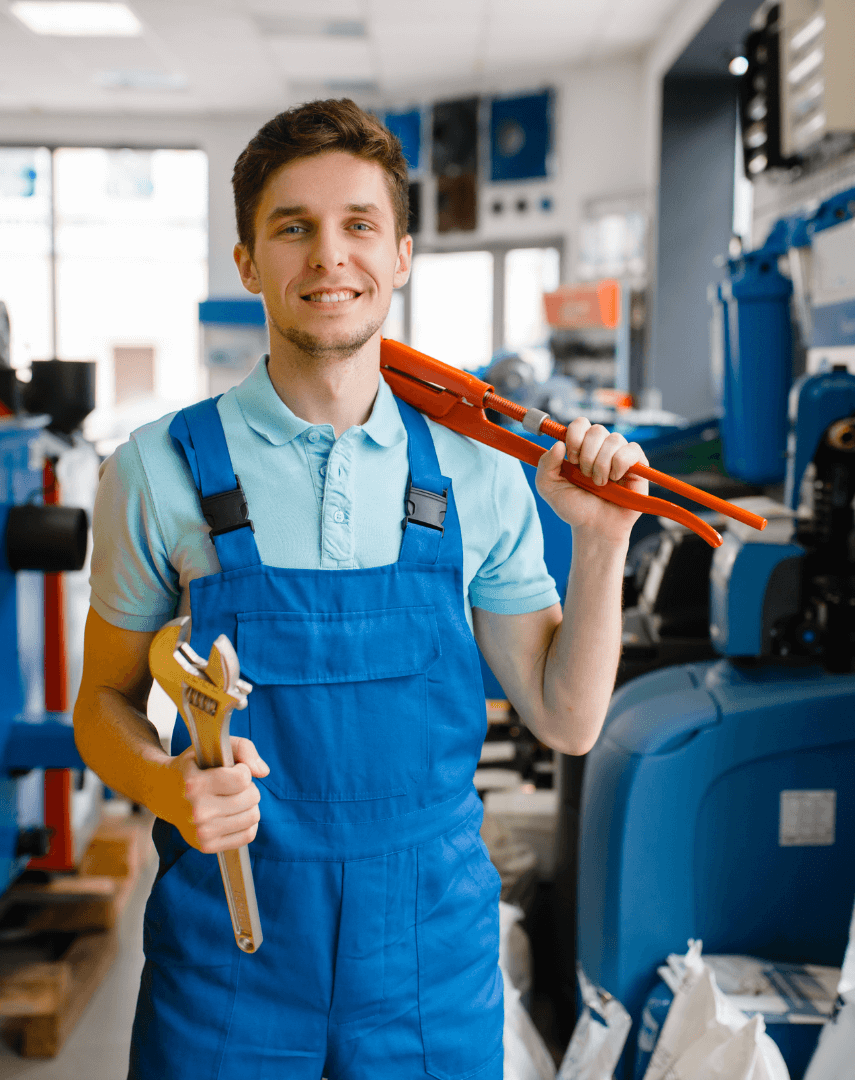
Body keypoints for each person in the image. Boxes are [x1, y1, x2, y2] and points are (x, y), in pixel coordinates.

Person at [74, 98, 649, 1080]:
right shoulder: (157, 471)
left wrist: (601, 544)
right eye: (292, 227)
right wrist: (170, 786)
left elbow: (566, 718)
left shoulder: (475, 471)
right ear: (249, 262)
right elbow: (103, 706)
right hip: (228, 965)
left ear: (402, 254)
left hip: (427, 971)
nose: (328, 256)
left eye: (358, 225)